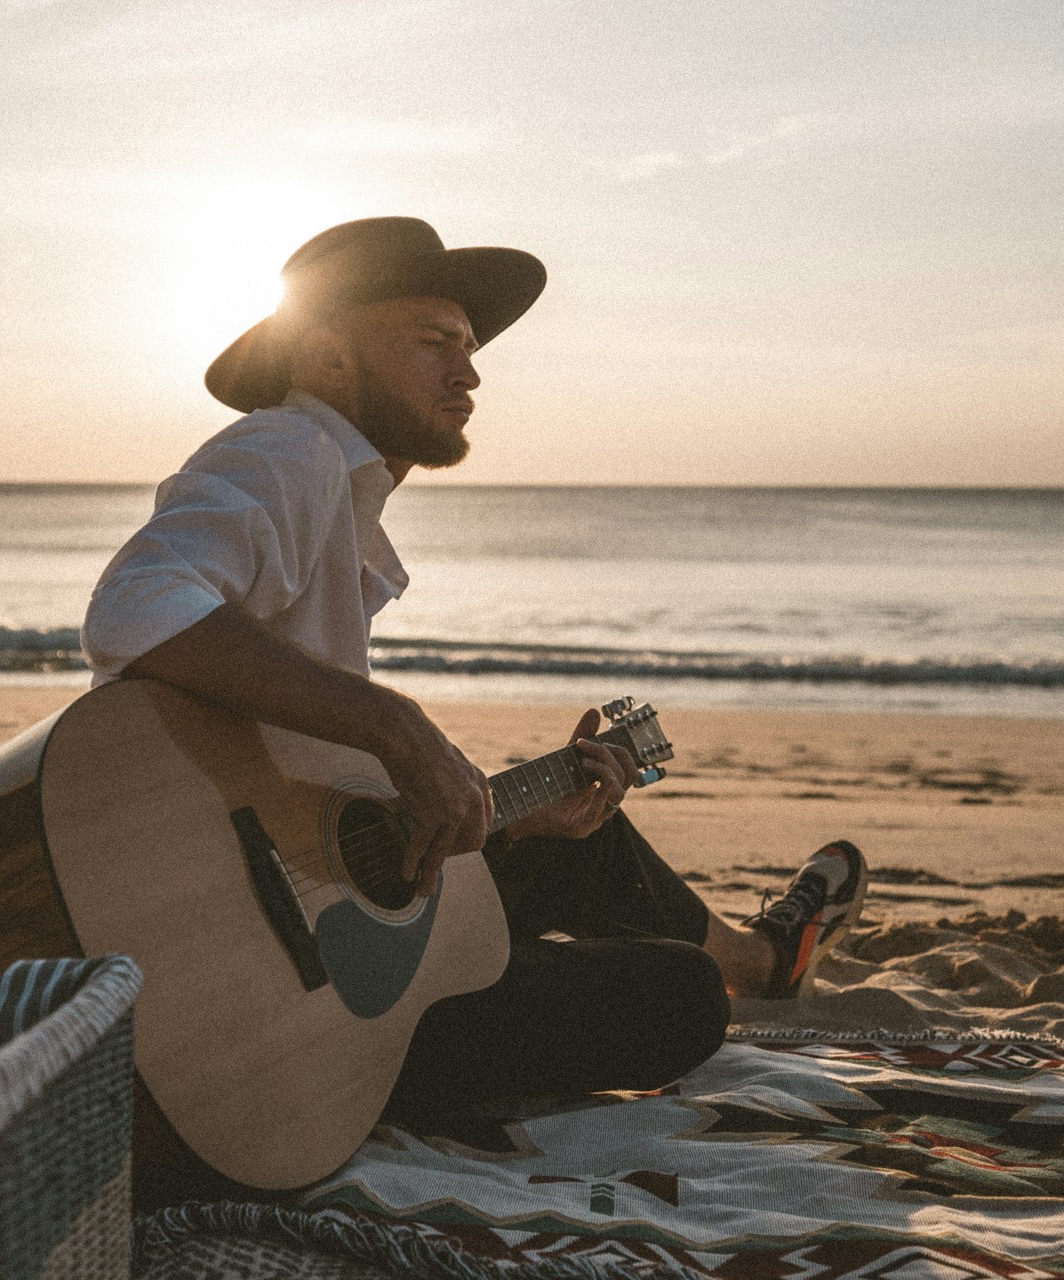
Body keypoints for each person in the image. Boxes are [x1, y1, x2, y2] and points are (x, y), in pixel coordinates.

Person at [83, 216, 867, 1137]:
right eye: (434, 343)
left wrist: (501, 812)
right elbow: (136, 607)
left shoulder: (337, 497)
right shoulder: (288, 450)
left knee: (580, 837)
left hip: (291, 913)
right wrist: (399, 730)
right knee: (677, 999)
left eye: (470, 346)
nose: (470, 372)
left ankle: (768, 958)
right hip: (257, 996)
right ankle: (742, 967)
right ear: (331, 359)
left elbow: (307, 801)